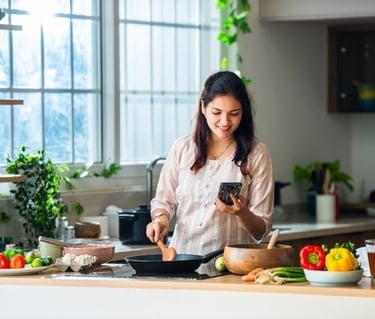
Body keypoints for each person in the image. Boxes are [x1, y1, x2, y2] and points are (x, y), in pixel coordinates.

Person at [146, 70, 274, 256]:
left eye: (234, 113)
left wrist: (242, 213)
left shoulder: (257, 154)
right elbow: (164, 201)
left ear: (243, 113)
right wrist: (160, 220)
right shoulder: (183, 148)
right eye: (216, 112)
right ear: (203, 107)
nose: (225, 121)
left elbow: (262, 230)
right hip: (183, 261)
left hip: (232, 266)